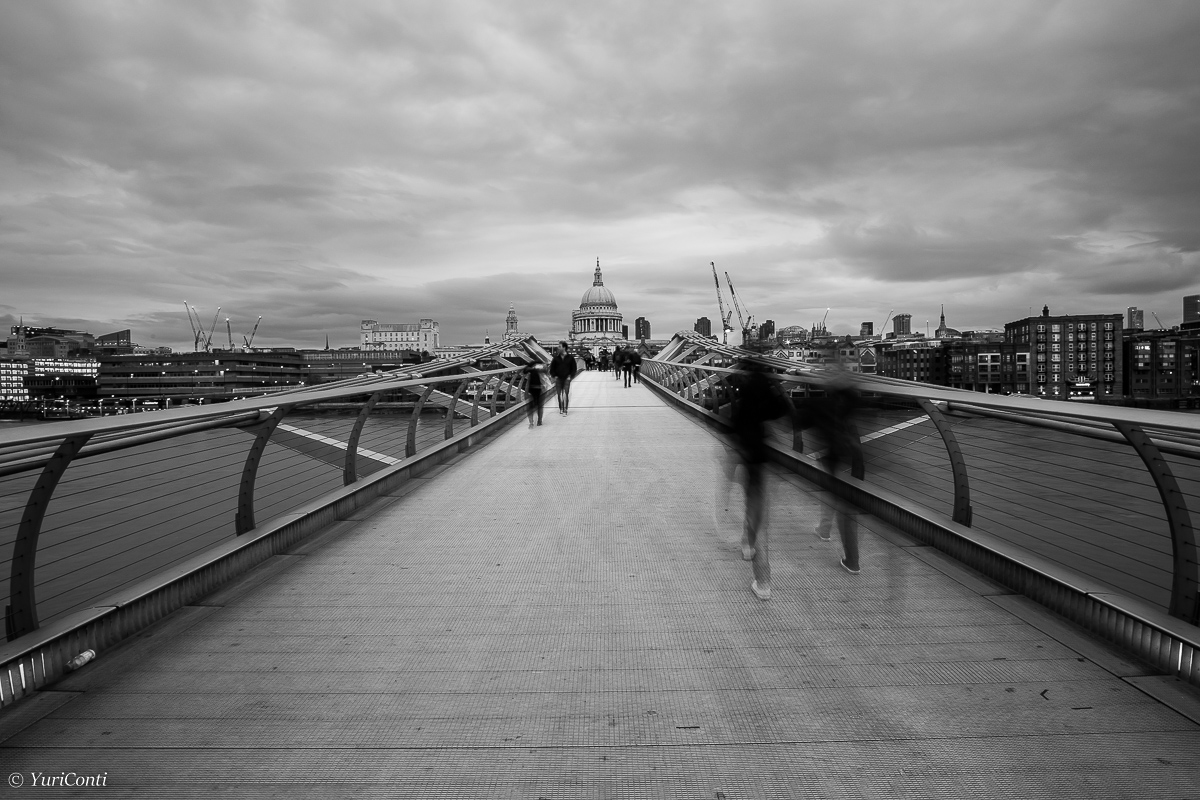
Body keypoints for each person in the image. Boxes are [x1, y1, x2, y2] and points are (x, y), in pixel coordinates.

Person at [728, 357, 789, 600]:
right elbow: (780, 410)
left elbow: (734, 423)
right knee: (759, 509)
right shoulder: (765, 387)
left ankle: (761, 577)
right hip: (764, 455)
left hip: (747, 453)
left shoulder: (743, 391)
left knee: (754, 507)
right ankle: (748, 545)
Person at [803, 363, 863, 574]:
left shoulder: (827, 401)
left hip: (835, 455)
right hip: (852, 454)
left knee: (842, 502)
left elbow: (802, 420)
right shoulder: (849, 398)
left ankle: (852, 559)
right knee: (839, 495)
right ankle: (825, 529)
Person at [549, 341, 577, 416]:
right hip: (558, 378)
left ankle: (565, 410)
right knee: (559, 395)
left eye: (559, 346)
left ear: (564, 348)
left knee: (565, 394)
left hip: (566, 378)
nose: (558, 348)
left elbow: (574, 368)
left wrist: (570, 376)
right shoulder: (555, 358)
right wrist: (554, 376)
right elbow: (552, 369)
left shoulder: (570, 358)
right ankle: (561, 407)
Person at [522, 359, 546, 426]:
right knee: (539, 406)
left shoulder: (533, 365)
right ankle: (539, 421)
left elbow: (525, 371)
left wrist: (532, 368)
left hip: (534, 388)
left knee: (531, 406)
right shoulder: (540, 364)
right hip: (539, 388)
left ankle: (532, 422)